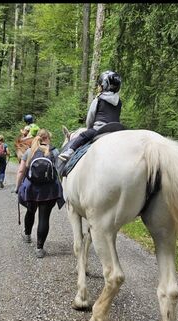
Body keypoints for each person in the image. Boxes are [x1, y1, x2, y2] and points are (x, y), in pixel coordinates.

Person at [15, 129, 64, 258]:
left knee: (30, 211)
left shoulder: (29, 151)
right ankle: (39, 248)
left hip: (32, 189)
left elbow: (21, 171)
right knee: (44, 217)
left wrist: (18, 187)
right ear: (48, 138)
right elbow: (59, 171)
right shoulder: (54, 151)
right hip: (50, 190)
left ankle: (27, 235)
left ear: (37, 138)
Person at [58, 70, 122, 162]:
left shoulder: (99, 99)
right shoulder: (119, 101)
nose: (98, 87)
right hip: (116, 130)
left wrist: (89, 128)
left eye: (100, 85)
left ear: (104, 85)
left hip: (99, 129)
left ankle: (69, 152)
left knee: (83, 135)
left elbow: (90, 118)